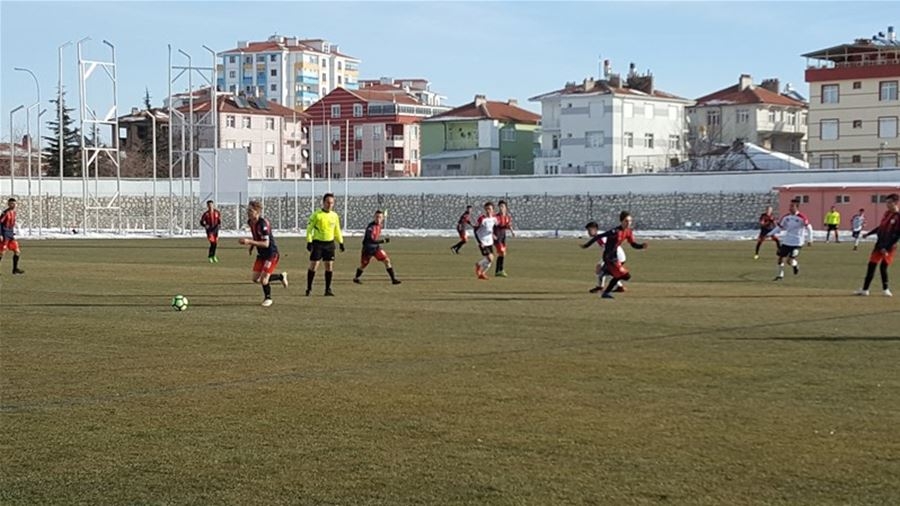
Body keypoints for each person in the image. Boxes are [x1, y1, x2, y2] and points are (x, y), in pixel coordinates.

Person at [238, 200, 287, 307]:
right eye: (248, 210)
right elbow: (256, 236)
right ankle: (280, 277)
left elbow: (266, 243)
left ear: (257, 211)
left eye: (251, 210)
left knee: (264, 280)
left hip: (271, 254)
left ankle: (268, 298)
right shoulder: (250, 222)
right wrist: (252, 246)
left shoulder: (263, 224)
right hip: (261, 254)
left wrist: (249, 242)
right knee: (255, 279)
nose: (248, 212)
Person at [855, 193, 900, 297]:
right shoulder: (886, 213)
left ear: (895, 203)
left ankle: (886, 289)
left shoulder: (898, 216)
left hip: (889, 246)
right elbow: (881, 227)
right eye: (886, 202)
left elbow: (897, 235)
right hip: (879, 244)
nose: (887, 204)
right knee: (871, 265)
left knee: (883, 267)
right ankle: (865, 290)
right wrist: (868, 234)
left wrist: (887, 247)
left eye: (889, 202)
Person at [594, 211, 647, 299]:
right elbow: (599, 236)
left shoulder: (628, 232)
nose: (629, 223)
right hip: (609, 257)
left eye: (630, 221)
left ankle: (606, 276)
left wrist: (641, 246)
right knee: (624, 275)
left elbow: (633, 244)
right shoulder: (615, 231)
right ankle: (606, 290)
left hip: (615, 257)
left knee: (623, 276)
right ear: (621, 221)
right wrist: (586, 245)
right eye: (626, 221)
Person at [306, 192, 344, 296]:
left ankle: (328, 289)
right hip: (318, 243)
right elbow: (309, 229)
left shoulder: (334, 216)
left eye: (332, 203)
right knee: (314, 266)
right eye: (328, 202)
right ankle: (309, 288)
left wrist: (341, 242)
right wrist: (309, 241)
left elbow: (337, 230)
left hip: (329, 244)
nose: (330, 205)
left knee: (329, 266)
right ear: (323, 202)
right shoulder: (317, 215)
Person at [767, 198, 814, 281]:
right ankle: (780, 275)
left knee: (790, 260)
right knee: (780, 258)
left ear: (797, 207)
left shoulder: (801, 217)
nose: (790, 207)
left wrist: (810, 240)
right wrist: (770, 234)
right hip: (787, 241)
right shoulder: (786, 217)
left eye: (792, 206)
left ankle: (795, 265)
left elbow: (809, 228)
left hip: (797, 242)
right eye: (790, 206)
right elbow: (779, 227)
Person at [353, 210, 401, 285]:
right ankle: (356, 278)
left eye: (380, 217)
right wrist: (383, 241)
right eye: (377, 217)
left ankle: (393, 279)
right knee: (364, 264)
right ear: (374, 217)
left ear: (382, 219)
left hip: (376, 248)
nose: (378, 219)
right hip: (368, 249)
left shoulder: (379, 226)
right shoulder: (370, 227)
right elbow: (370, 240)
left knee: (387, 260)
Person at [581, 221, 626, 293]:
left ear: (595, 229)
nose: (588, 232)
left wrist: (603, 261)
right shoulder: (600, 236)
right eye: (588, 230)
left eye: (589, 230)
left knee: (602, 270)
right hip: (615, 256)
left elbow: (609, 249)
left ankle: (601, 287)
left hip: (617, 256)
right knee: (607, 271)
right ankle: (619, 287)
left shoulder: (601, 237)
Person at [473, 202, 498, 280]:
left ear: (493, 210)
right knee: (490, 258)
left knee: (490, 260)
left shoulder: (494, 219)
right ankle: (479, 266)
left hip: (490, 242)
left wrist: (493, 234)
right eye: (486, 209)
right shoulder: (482, 219)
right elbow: (475, 231)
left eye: (489, 209)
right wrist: (480, 242)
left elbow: (494, 227)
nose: (488, 210)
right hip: (482, 241)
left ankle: (481, 272)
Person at [0, 198, 24, 275]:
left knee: (17, 251)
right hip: (5, 234)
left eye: (14, 204)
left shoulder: (14, 212)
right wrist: (0, 234)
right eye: (11, 203)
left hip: (10, 234)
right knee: (2, 253)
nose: (13, 205)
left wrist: (13, 232)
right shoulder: (5, 213)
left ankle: (15, 269)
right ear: (8, 204)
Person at [494, 200, 515, 277]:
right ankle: (501, 270)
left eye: (502, 206)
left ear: (506, 208)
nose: (501, 208)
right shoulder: (496, 217)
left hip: (503, 236)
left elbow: (509, 225)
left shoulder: (507, 217)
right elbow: (492, 226)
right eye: (500, 206)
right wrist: (492, 234)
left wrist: (512, 232)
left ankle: (497, 271)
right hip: (497, 237)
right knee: (502, 252)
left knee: (502, 254)